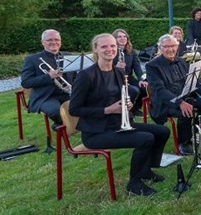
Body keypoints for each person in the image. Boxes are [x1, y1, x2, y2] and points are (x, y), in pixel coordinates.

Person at [70, 33, 169, 196]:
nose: (109, 49)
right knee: (146, 139)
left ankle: (145, 170)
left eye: (112, 46)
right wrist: (107, 110)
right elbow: (74, 109)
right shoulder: (85, 76)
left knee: (162, 131)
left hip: (117, 124)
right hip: (96, 132)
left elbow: (120, 96)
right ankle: (134, 183)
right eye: (104, 46)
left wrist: (127, 103)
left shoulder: (117, 71)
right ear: (95, 49)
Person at [145, 34, 201, 155]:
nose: (170, 49)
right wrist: (180, 103)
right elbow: (160, 91)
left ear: (177, 46)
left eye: (173, 46)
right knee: (186, 111)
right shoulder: (152, 66)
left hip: (184, 97)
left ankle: (196, 136)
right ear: (160, 48)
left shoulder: (181, 61)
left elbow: (194, 82)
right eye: (166, 47)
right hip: (165, 103)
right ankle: (183, 143)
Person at [21, 29, 75, 127]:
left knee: (91, 101)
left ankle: (76, 125)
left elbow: (76, 76)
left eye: (57, 39)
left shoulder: (68, 56)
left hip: (68, 92)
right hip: (46, 96)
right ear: (42, 42)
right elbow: (26, 82)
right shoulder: (31, 60)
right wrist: (49, 76)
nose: (54, 42)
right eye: (49, 40)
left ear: (60, 42)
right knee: (55, 111)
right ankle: (61, 125)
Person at [112, 29, 147, 115]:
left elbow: (137, 67)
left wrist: (141, 79)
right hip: (114, 78)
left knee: (144, 88)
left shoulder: (131, 52)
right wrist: (116, 67)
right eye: (119, 37)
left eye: (124, 37)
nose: (122, 38)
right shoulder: (111, 51)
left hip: (128, 77)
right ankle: (126, 109)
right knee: (134, 90)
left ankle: (135, 108)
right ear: (114, 39)